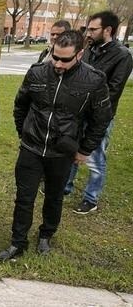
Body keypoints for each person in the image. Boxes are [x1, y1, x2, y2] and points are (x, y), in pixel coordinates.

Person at [0, 30, 112, 261]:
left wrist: (84, 149)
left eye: (65, 59)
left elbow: (101, 119)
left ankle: (45, 236)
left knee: (54, 196)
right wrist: (25, 133)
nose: (57, 63)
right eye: (54, 56)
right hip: (31, 148)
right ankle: (18, 242)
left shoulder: (94, 80)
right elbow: (20, 106)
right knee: (24, 197)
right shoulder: (37, 73)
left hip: (62, 151)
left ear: (79, 54)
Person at [64, 11, 133, 215]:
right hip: (79, 113)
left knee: (95, 158)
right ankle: (65, 187)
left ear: (108, 30)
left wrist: (89, 107)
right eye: (88, 28)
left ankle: (91, 198)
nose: (88, 33)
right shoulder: (89, 50)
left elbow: (113, 90)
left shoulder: (122, 56)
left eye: (93, 29)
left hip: (99, 117)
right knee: (72, 151)